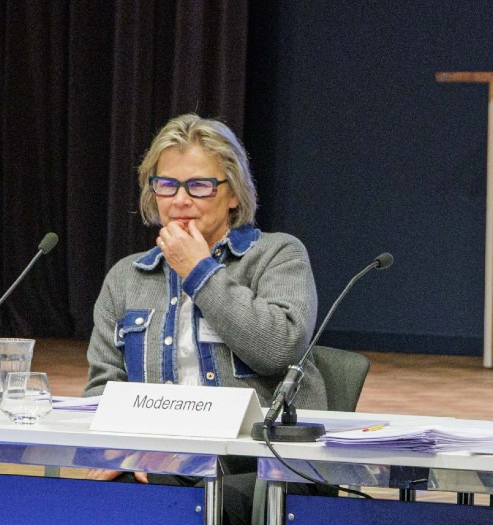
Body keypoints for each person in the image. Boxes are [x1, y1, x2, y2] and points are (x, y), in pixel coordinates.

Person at [82, 113, 327, 524]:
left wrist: (200, 272)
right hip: (161, 463)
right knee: (103, 494)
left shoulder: (278, 255)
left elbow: (281, 347)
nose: (180, 200)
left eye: (198, 185)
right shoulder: (126, 277)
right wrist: (125, 450)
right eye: (167, 185)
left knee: (173, 502)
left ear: (233, 194)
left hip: (263, 467)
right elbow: (101, 389)